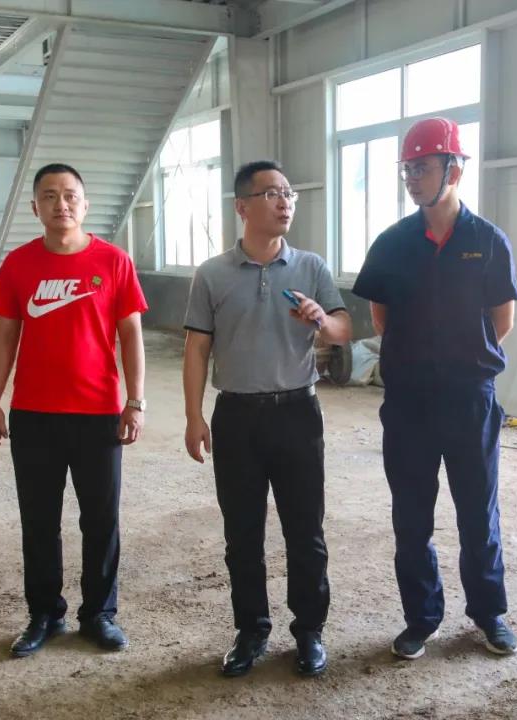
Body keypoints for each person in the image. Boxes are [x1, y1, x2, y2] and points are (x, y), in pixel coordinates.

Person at [351, 117, 517, 660]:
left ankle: (489, 614)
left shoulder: (487, 241)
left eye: (422, 167)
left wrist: (460, 359)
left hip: (470, 399)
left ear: (455, 169)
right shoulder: (393, 244)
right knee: (412, 515)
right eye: (407, 169)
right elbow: (381, 318)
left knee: (478, 512)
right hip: (409, 403)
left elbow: (502, 320)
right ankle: (421, 618)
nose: (412, 178)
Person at [182, 160, 352, 677]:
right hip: (236, 417)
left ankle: (310, 631)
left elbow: (343, 329)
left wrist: (321, 319)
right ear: (242, 206)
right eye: (272, 193)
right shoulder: (212, 274)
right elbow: (196, 349)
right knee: (242, 534)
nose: (284, 202)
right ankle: (251, 630)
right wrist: (193, 416)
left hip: (297, 413)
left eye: (288, 193)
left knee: (306, 531)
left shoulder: (311, 267)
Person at [0, 163, 149, 657]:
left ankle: (99, 614)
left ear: (85, 204)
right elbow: (5, 335)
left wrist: (135, 401)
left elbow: (131, 335)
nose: (62, 204)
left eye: (71, 194)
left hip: (98, 414)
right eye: (50, 196)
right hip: (34, 414)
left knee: (101, 521)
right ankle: (44, 615)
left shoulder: (114, 262)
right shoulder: (19, 264)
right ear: (35, 207)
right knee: (39, 521)